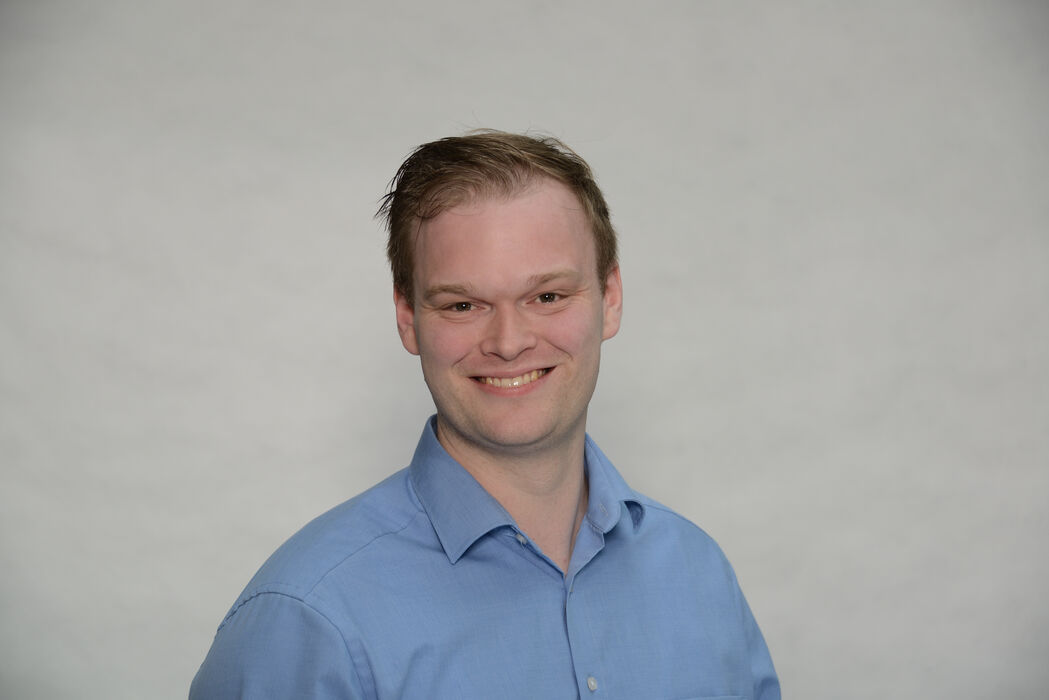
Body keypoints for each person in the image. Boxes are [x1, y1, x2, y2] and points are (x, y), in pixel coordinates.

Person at [190, 130, 780, 699]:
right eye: (463, 304)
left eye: (547, 296)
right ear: (407, 318)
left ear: (611, 298)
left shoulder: (699, 576)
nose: (508, 342)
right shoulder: (308, 621)